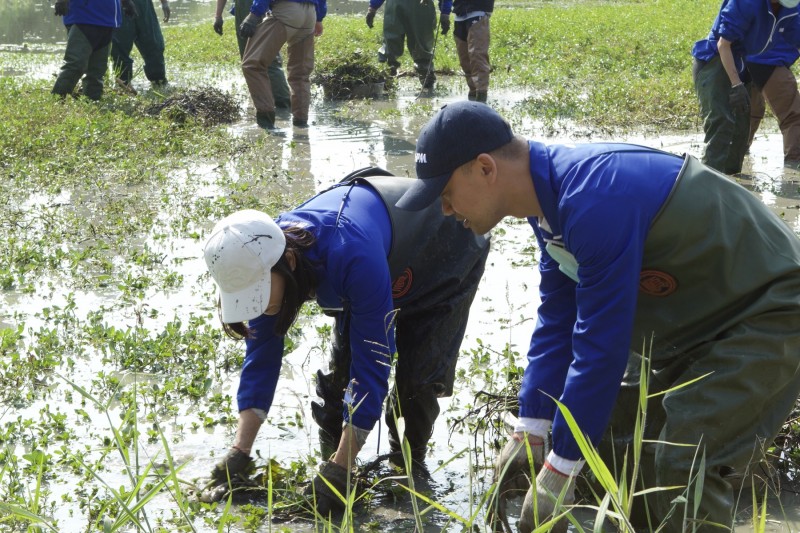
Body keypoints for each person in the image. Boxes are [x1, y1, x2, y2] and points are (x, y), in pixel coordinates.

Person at [396, 101, 800, 532]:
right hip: (699, 325)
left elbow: (601, 347)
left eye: (444, 193)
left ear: (484, 168)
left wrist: (560, 468)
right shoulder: (548, 205)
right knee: (613, 430)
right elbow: (559, 318)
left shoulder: (594, 197)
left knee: (683, 455)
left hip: (769, 312)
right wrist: (531, 428)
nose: (443, 210)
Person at [200, 167, 490, 513]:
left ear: (289, 261)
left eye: (259, 295)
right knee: (338, 380)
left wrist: (340, 470)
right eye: (247, 299)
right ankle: (336, 460)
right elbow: (260, 357)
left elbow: (373, 364)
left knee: (415, 383)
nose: (257, 305)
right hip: (379, 256)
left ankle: (407, 472)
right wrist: (240, 452)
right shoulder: (257, 256)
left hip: (447, 246)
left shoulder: (347, 252)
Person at [691, 0, 800, 174]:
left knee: (740, 130)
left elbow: (796, 37)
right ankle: (708, 183)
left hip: (742, 62)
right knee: (722, 122)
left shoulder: (790, 7)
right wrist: (736, 85)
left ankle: (732, 182)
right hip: (715, 61)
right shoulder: (746, 2)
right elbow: (723, 45)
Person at [239, 0, 326, 130]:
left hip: (286, 12)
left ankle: (266, 120)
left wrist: (254, 14)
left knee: (252, 64)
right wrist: (318, 18)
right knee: (300, 74)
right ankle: (301, 123)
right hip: (310, 15)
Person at [212, 0, 291, 110]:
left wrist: (218, 16)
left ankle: (281, 106)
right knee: (253, 59)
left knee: (263, 60)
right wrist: (218, 16)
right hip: (252, 6)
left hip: (257, 6)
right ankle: (268, 104)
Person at [52, 0, 135, 100]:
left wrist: (126, 2)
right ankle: (57, 100)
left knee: (97, 71)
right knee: (75, 64)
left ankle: (92, 103)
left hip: (108, 21)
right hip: (83, 18)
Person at [365, 0, 452, 89]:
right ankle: (386, 77)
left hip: (422, 5)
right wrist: (372, 8)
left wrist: (445, 12)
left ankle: (427, 78)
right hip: (395, 6)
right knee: (391, 42)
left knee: (422, 44)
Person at [745, 32, 800, 166]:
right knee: (793, 117)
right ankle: (794, 165)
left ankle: (737, 153)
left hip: (744, 59)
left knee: (751, 112)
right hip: (768, 60)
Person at [110, 0, 170, 92]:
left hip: (144, 6)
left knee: (154, 43)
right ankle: (124, 84)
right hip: (119, 6)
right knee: (120, 47)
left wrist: (164, 3)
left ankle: (159, 81)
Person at [452, 0, 493, 102]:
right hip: (459, 14)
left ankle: (481, 96)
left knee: (477, 55)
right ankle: (473, 94)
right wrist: (444, 12)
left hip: (478, 11)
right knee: (464, 59)